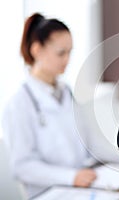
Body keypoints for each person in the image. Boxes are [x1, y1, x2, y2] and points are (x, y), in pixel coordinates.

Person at [1, 13, 97, 198]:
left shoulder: (67, 92)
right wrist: (71, 177)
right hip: (49, 194)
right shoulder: (18, 103)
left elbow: (87, 143)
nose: (67, 60)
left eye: (70, 52)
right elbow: (22, 167)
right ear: (37, 50)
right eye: (61, 53)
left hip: (80, 190)